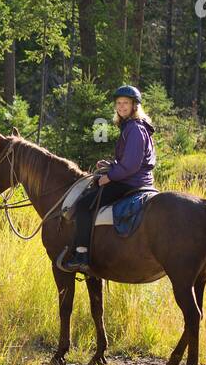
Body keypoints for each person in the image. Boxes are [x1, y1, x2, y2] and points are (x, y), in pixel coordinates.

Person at [60, 85, 156, 273]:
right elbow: (130, 161)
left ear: (134, 106)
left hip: (131, 183)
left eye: (125, 103)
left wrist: (109, 177)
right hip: (135, 179)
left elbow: (131, 166)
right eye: (119, 103)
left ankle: (81, 255)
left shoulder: (135, 128)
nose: (121, 107)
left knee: (84, 204)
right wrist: (112, 165)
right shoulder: (133, 126)